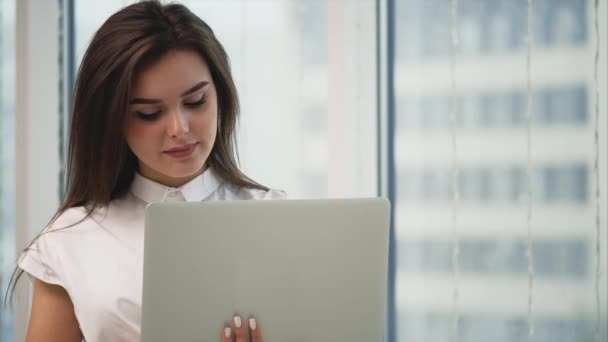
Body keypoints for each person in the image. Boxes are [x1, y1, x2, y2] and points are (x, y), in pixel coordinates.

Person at [8, 1, 284, 341]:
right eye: (149, 113)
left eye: (196, 101)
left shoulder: (277, 218)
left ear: (221, 95)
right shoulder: (69, 241)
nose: (179, 128)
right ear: (111, 121)